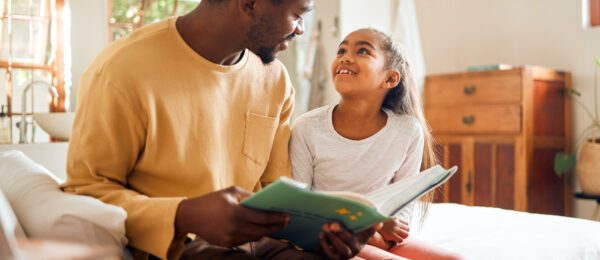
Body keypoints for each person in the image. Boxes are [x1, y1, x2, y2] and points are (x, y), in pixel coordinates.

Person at [62, 0, 378, 259]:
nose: (301, 29)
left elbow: (278, 192)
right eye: (297, 14)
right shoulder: (121, 71)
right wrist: (183, 214)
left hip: (260, 242)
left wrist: (323, 234)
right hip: (175, 247)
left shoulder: (275, 79)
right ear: (251, 4)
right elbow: (86, 191)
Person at [290, 28, 462, 260]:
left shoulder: (407, 130)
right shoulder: (306, 127)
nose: (345, 57)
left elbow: (404, 204)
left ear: (390, 78)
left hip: (383, 234)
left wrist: (385, 231)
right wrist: (375, 227)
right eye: (341, 50)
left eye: (362, 51)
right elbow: (300, 208)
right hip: (332, 238)